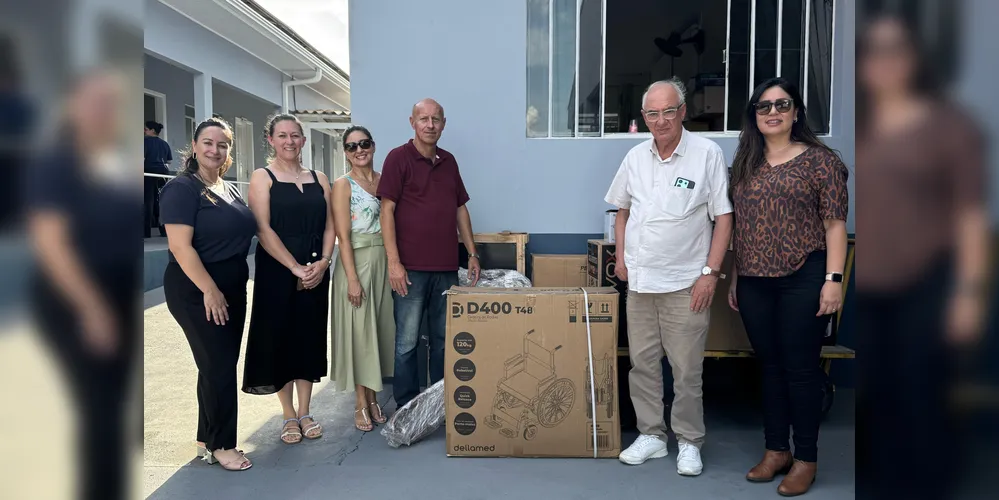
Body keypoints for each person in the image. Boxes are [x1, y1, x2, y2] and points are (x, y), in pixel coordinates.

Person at [855, 14, 989, 500]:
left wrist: (968, 294)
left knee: (922, 397)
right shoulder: (865, 126)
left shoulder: (949, 126)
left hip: (926, 285)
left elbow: (970, 215)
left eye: (895, 51)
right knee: (880, 398)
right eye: (874, 52)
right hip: (869, 290)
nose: (883, 63)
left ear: (914, 59)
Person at [727, 77, 849, 496]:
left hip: (805, 277)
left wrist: (833, 281)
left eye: (782, 104)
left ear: (796, 112)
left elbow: (835, 226)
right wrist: (738, 276)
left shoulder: (821, 161)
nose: (773, 112)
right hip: (755, 282)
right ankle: (776, 449)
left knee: (801, 370)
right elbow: (742, 227)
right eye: (764, 107)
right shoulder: (745, 163)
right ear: (754, 116)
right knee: (770, 367)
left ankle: (806, 458)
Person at [604, 78, 733, 476]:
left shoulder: (706, 154)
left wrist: (710, 273)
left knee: (686, 369)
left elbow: (724, 218)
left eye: (668, 111)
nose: (661, 120)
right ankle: (652, 436)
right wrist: (622, 259)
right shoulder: (635, 158)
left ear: (682, 112)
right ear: (644, 117)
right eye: (653, 113)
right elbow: (621, 210)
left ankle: (689, 441)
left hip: (686, 283)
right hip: (641, 283)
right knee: (641, 365)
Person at [25, 69, 142, 499]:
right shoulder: (57, 162)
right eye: (96, 102)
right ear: (72, 106)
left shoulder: (112, 160)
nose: (106, 111)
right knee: (100, 408)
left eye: (113, 103)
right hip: (74, 297)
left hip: (115, 289)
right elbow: (51, 244)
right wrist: (92, 308)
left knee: (113, 409)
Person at [160, 116, 257, 471]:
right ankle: (222, 445)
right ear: (195, 146)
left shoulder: (226, 188)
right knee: (218, 366)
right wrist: (210, 290)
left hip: (232, 286)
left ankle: (206, 435)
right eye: (208, 143)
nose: (215, 150)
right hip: (197, 289)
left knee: (216, 364)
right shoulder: (181, 189)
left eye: (223, 144)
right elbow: (181, 248)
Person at [377, 98, 481, 410]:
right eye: (423, 119)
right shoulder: (398, 158)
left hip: (447, 267)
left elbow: (460, 208)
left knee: (442, 341)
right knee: (407, 343)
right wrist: (394, 263)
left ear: (444, 124)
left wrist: (472, 254)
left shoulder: (449, 161)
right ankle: (407, 407)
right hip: (409, 270)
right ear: (412, 122)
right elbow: (387, 210)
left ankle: (437, 405)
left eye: (436, 119)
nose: (430, 125)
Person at [242, 113, 335, 445]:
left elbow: (330, 225)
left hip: (316, 270)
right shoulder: (262, 177)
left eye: (295, 135)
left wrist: (324, 262)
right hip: (278, 272)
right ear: (271, 140)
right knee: (279, 338)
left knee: (308, 337)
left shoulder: (320, 178)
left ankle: (306, 410)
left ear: (303, 140)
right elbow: (262, 229)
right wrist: (295, 268)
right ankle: (288, 415)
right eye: (282, 136)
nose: (289, 141)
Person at [331, 125, 396, 432]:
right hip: (355, 262)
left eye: (364, 143)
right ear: (345, 152)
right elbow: (342, 236)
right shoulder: (343, 185)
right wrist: (352, 278)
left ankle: (372, 398)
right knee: (359, 332)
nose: (359, 150)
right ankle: (360, 402)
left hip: (383, 260)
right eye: (352, 146)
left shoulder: (385, 181)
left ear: (373, 145)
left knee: (378, 331)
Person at [144, 120, 172, 238]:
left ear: (152, 131)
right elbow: (169, 161)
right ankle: (164, 231)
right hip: (162, 174)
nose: (144, 131)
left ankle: (146, 232)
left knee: (147, 202)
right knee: (160, 201)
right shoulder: (164, 144)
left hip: (148, 173)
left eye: (146, 129)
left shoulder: (145, 142)